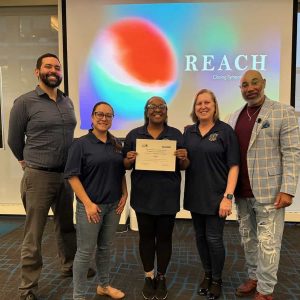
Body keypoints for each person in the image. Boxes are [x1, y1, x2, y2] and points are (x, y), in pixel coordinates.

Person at [7, 53, 94, 300]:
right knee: (34, 233)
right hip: (39, 177)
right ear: (37, 72)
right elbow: (14, 139)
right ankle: (27, 287)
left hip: (66, 176)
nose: (53, 70)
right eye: (48, 66)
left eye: (57, 67)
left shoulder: (67, 102)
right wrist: (25, 161)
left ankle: (68, 266)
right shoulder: (24, 102)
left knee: (66, 226)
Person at [226, 70, 300, 300]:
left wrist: (288, 189)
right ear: (241, 89)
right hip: (242, 192)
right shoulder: (233, 117)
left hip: (270, 193)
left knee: (269, 243)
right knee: (248, 239)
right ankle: (254, 276)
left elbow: (292, 153)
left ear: (264, 83)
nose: (250, 88)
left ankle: (266, 290)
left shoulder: (283, 112)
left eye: (254, 82)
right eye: (245, 85)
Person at [123, 96, 188, 300]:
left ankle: (161, 276)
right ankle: (148, 276)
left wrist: (184, 158)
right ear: (146, 111)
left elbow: (185, 166)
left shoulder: (176, 134)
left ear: (166, 111)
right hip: (143, 197)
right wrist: (129, 159)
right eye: (153, 106)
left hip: (168, 198)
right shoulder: (134, 135)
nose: (157, 110)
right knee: (146, 239)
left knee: (165, 239)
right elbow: (124, 164)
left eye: (161, 107)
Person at [64, 101, 127, 300]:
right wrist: (88, 204)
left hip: (113, 206)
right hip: (90, 207)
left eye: (108, 115)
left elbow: (120, 171)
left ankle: (104, 286)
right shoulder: (80, 144)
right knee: (85, 252)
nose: (103, 118)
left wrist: (124, 194)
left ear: (112, 119)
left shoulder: (117, 143)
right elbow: (72, 177)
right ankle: (79, 295)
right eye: (99, 114)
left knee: (105, 248)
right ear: (92, 118)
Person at [183, 89, 240, 300]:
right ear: (194, 108)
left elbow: (234, 166)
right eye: (199, 103)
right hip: (195, 195)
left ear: (215, 106)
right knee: (200, 238)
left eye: (207, 102)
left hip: (218, 197)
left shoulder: (226, 132)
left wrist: (228, 196)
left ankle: (217, 279)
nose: (203, 106)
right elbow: (182, 161)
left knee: (214, 239)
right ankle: (207, 275)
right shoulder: (188, 132)